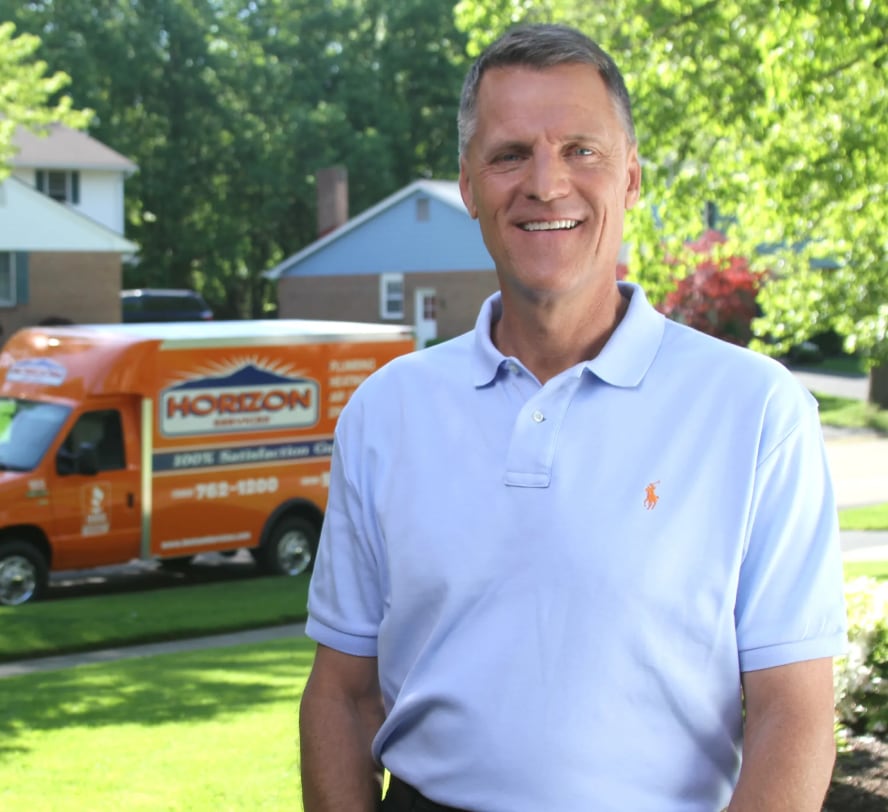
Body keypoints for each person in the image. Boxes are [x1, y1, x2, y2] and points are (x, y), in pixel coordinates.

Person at [299, 23, 847, 812]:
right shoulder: (387, 411)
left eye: (581, 151)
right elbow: (342, 697)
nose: (546, 183)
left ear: (631, 178)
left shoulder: (757, 410)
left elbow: (793, 713)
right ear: (469, 185)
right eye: (510, 153)